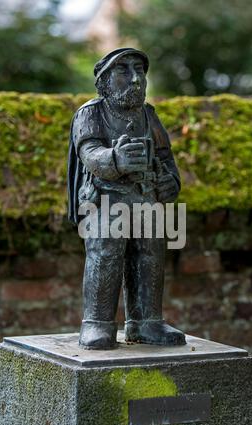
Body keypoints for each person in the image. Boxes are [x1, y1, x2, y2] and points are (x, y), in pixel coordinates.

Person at [68, 48, 186, 349]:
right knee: (106, 255)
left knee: (150, 255)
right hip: (107, 200)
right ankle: (97, 323)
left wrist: (170, 182)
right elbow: (89, 152)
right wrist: (115, 159)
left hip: (145, 199)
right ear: (104, 81)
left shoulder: (148, 115)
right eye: (124, 71)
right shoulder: (91, 113)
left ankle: (147, 322)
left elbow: (164, 155)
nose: (136, 80)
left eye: (140, 71)